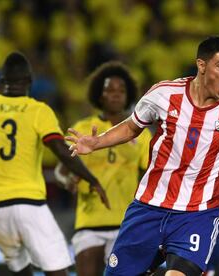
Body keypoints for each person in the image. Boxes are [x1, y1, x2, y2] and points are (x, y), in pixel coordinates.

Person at [66, 35, 219, 276]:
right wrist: (97, 142)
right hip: (148, 208)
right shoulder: (165, 94)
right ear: (201, 65)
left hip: (198, 214)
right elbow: (132, 126)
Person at [0, 52, 109, 276]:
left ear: (2, 81)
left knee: (20, 271)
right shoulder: (37, 110)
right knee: (57, 271)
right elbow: (60, 150)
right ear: (29, 80)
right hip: (28, 203)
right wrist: (91, 179)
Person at [54, 61, 151, 276]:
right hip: (88, 222)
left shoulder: (141, 134)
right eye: (110, 90)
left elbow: (150, 176)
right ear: (100, 95)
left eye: (121, 90)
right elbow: (61, 170)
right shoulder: (82, 128)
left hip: (126, 225)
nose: (116, 95)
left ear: (128, 96)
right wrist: (67, 181)